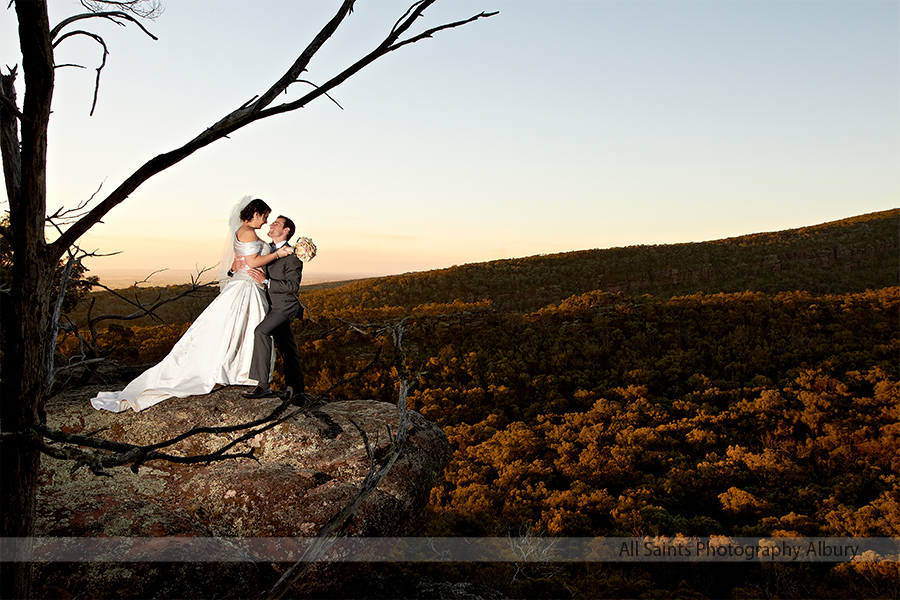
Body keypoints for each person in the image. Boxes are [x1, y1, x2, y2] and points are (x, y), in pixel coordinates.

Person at [89, 197, 291, 413]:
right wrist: (277, 254)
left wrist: (235, 268)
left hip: (245, 283)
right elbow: (251, 262)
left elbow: (237, 261)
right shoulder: (249, 232)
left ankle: (237, 372)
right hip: (246, 287)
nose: (265, 221)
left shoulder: (241, 231)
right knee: (244, 328)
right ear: (256, 214)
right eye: (265, 217)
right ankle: (239, 373)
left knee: (236, 330)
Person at [241, 215, 305, 401]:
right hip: (271, 306)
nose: (271, 225)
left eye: (276, 223)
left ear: (286, 231)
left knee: (261, 332)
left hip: (285, 307)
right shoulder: (266, 249)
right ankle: (297, 393)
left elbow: (293, 287)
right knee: (288, 350)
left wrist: (266, 281)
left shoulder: (293, 256)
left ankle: (262, 385)